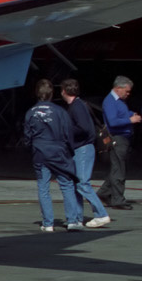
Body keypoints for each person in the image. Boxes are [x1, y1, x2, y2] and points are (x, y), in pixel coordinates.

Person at [25, 79, 82, 231]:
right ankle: (72, 220)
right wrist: (70, 151)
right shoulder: (60, 112)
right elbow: (68, 133)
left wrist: (31, 147)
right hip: (58, 151)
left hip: (40, 151)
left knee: (43, 187)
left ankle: (48, 223)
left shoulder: (31, 112)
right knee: (67, 184)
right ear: (52, 94)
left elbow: (27, 136)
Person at [58, 78, 112, 227]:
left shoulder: (76, 107)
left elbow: (84, 128)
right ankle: (77, 217)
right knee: (77, 183)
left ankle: (101, 214)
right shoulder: (79, 105)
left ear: (64, 91)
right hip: (81, 148)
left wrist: (66, 131)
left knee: (82, 183)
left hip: (83, 148)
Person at [96, 76, 142, 210]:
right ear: (118, 88)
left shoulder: (119, 101)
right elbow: (113, 122)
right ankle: (118, 199)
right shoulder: (110, 101)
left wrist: (130, 114)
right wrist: (130, 120)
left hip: (125, 138)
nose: (128, 94)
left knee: (117, 168)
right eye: (127, 91)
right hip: (117, 138)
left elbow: (122, 114)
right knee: (119, 170)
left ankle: (104, 193)